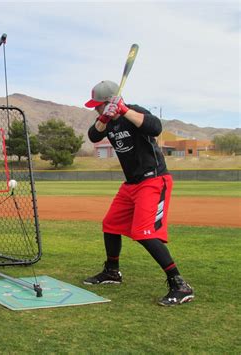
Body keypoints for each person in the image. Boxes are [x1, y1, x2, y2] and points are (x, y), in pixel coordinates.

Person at [83, 80, 194, 306]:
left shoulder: (135, 112)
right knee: (110, 224)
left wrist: (124, 110)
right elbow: (94, 136)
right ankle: (112, 272)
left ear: (109, 101)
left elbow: (155, 127)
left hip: (153, 179)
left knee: (144, 232)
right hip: (131, 184)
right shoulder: (106, 121)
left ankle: (180, 284)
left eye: (98, 105)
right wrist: (104, 118)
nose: (95, 109)